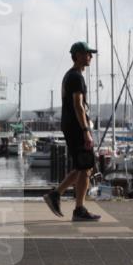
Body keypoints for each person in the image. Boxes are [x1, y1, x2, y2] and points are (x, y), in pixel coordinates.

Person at [44, 42, 101, 221]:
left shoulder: (71, 76)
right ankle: (79, 209)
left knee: (82, 166)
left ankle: (56, 194)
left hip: (72, 126)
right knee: (85, 168)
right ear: (76, 55)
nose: (90, 57)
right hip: (77, 127)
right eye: (86, 54)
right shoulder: (76, 77)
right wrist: (85, 130)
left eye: (90, 54)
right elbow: (78, 105)